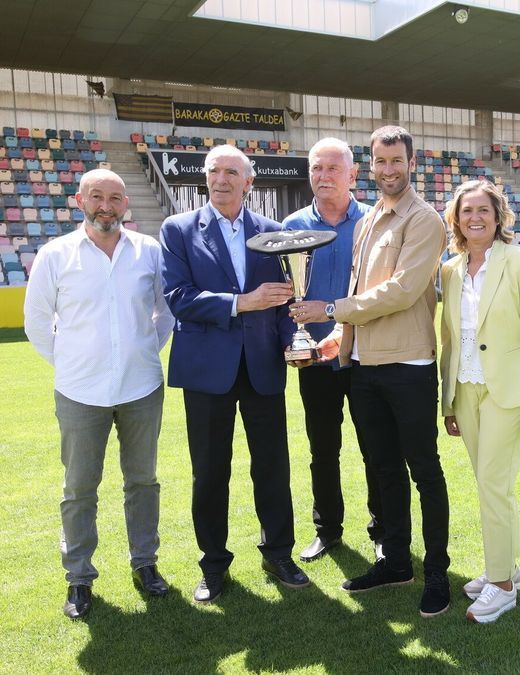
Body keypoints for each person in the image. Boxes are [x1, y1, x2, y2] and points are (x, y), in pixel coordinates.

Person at [290, 125, 450, 617]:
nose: (387, 170)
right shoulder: (367, 221)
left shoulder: (425, 220)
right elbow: (366, 293)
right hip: (363, 366)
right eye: (380, 162)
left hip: (408, 366)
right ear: (371, 166)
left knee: (423, 470)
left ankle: (437, 573)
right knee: (383, 470)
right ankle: (397, 562)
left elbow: (401, 291)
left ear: (410, 163)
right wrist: (335, 344)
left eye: (395, 161)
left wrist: (332, 310)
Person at [23, 168, 175, 619]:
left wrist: (144, 350)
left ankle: (145, 564)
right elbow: (36, 323)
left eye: (114, 197)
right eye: (96, 196)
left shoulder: (149, 252)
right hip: (79, 393)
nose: (105, 205)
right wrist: (74, 364)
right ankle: (79, 578)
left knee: (143, 482)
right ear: (80, 201)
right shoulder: (55, 255)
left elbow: (166, 312)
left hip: (141, 387)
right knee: (79, 488)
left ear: (125, 204)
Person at [160, 143, 308, 603]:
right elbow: (178, 296)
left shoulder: (273, 231)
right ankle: (213, 563)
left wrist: (291, 337)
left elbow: (286, 299)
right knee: (209, 471)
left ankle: (278, 552)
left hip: (262, 367)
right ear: (205, 178)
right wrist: (241, 302)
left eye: (231, 172)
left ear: (249, 182)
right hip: (207, 371)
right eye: (214, 171)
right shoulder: (179, 229)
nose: (221, 179)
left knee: (272, 467)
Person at [439, 180, 520, 623]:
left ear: (498, 215)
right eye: (467, 211)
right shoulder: (450, 269)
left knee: (492, 483)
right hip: (466, 387)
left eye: (483, 210)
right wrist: (448, 403)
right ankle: (507, 566)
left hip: (509, 392)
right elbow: (449, 336)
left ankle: (502, 586)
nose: (475, 218)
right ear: (457, 219)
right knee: (493, 485)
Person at [281, 137, 383, 563]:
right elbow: (286, 292)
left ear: (353, 175)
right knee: (323, 449)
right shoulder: (291, 227)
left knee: (375, 446)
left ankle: (383, 529)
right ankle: (328, 530)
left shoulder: (375, 222)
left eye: (332, 169)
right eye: (316, 168)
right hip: (315, 358)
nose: (323, 176)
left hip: (365, 353)